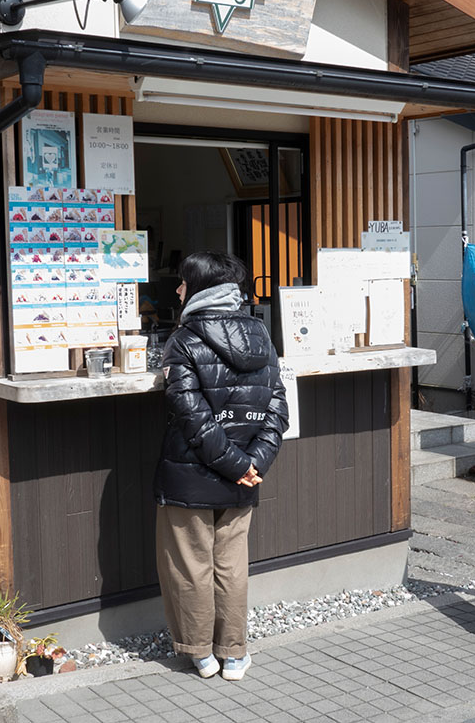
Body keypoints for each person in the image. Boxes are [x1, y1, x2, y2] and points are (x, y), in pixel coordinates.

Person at [154, 251, 288, 681]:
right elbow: (277, 408)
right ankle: (234, 655)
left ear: (199, 289)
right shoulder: (261, 335)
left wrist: (234, 465)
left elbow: (190, 413)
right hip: (244, 474)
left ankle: (200, 656)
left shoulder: (184, 339)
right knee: (231, 565)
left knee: (191, 564)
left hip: (191, 474)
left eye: (182, 282)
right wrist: (252, 464)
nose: (177, 290)